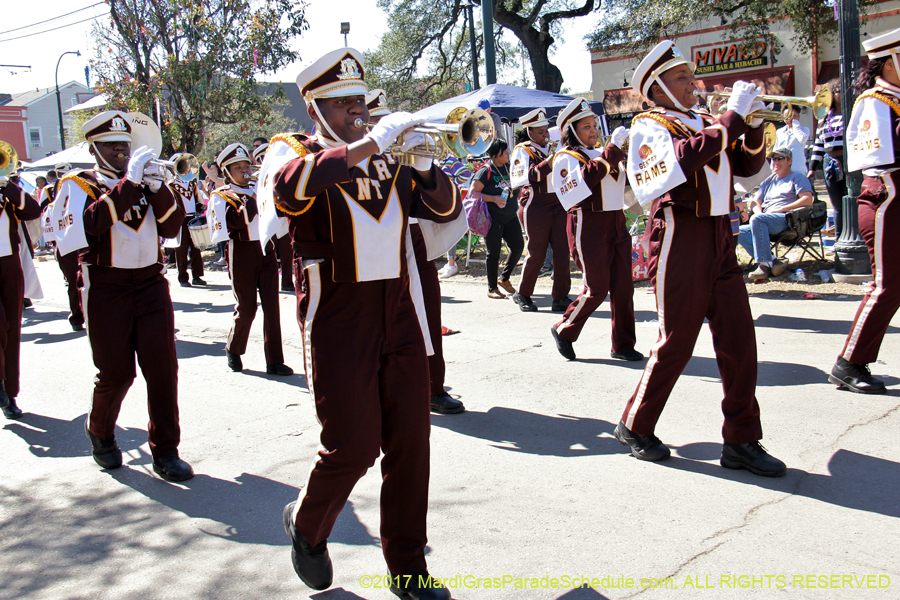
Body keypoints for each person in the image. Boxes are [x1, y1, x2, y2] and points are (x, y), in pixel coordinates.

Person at [265, 47, 459, 598]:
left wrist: (423, 164)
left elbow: (443, 211)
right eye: (345, 103)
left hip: (399, 310)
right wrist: (371, 142)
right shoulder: (295, 151)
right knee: (352, 445)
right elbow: (290, 189)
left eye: (360, 101)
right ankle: (307, 523)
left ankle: (408, 565)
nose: (359, 110)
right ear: (317, 109)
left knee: (411, 442)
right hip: (338, 316)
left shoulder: (388, 156)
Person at [616, 41, 786, 477]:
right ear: (657, 88)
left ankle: (743, 440)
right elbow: (680, 162)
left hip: (720, 234)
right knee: (677, 340)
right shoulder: (648, 125)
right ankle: (636, 424)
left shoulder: (708, 122)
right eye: (680, 78)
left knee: (739, 341)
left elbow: (747, 171)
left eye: (691, 75)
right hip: (680, 233)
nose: (692, 83)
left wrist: (749, 126)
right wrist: (731, 119)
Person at [54, 111, 193, 481]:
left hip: (150, 284)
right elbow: (91, 226)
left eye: (124, 144)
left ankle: (165, 451)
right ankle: (99, 432)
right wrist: (129, 183)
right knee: (116, 373)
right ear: (94, 148)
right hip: (106, 287)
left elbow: (174, 226)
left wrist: (156, 187)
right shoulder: (78, 184)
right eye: (111, 145)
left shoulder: (145, 180)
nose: (120, 150)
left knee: (163, 371)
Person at [366, 87, 465, 416]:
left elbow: (447, 208)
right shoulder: (350, 162)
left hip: (412, 243)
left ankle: (434, 388)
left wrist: (424, 167)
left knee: (429, 316)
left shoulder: (404, 161)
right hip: (371, 249)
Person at [830, 27, 900, 394]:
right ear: (889, 64)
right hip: (886, 201)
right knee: (887, 286)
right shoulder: (876, 100)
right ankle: (850, 362)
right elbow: (882, 156)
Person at [548, 98, 642, 363]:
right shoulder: (566, 157)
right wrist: (610, 153)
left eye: (594, 125)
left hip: (616, 222)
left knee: (624, 287)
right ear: (572, 131)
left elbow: (625, 190)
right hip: (587, 224)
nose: (593, 130)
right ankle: (564, 329)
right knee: (597, 288)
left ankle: (623, 344)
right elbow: (580, 186)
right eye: (586, 126)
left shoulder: (604, 153)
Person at [209, 143, 292, 376]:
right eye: (238, 167)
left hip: (266, 250)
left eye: (247, 165)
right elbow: (232, 224)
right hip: (242, 253)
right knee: (246, 308)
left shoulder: (260, 188)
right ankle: (233, 348)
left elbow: (280, 212)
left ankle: (274, 361)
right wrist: (256, 198)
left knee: (272, 309)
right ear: (226, 172)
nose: (245, 171)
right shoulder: (222, 196)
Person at [509, 107, 572, 312]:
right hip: (536, 206)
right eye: (540, 132)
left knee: (562, 251)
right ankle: (523, 294)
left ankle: (561, 296)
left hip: (558, 203)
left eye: (546, 130)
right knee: (537, 251)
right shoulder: (523, 150)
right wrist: (550, 162)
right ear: (529, 131)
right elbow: (523, 178)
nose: (545, 135)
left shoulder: (552, 147)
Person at [0, 170, 41, 418]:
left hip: (9, 262)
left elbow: (33, 211)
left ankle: (9, 392)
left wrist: (8, 186)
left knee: (12, 327)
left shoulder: (6, 192)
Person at [738, 147, 814, 280]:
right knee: (738, 231)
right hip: (764, 219)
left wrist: (781, 209)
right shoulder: (769, 180)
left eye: (780, 158)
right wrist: (758, 213)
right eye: (774, 159)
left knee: (758, 220)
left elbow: (807, 199)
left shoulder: (797, 177)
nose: (776, 162)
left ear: (789, 161)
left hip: (787, 219)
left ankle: (763, 265)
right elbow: (756, 201)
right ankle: (774, 261)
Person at [470, 139, 525, 299]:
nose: (508, 154)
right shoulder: (485, 171)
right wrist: (493, 198)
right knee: (493, 253)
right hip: (492, 218)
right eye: (504, 152)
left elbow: (516, 185)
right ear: (495, 155)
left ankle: (504, 278)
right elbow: (473, 193)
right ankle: (492, 288)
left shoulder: (509, 167)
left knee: (518, 246)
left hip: (511, 216)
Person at [40, 164, 84, 331]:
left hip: (83, 242)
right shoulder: (51, 199)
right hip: (66, 244)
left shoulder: (83, 196)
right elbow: (43, 216)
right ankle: (77, 317)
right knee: (73, 281)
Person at [808, 80, 845, 238]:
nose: (840, 94)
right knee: (837, 205)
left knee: (851, 200)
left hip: (848, 162)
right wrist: (812, 167)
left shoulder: (850, 113)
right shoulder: (824, 119)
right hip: (830, 163)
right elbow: (818, 145)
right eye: (837, 91)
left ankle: (857, 237)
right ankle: (839, 237)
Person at [168, 153, 207, 287]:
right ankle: (183, 278)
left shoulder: (192, 184)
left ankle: (197, 276)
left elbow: (195, 200)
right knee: (181, 249)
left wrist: (200, 206)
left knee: (196, 248)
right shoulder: (170, 185)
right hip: (180, 220)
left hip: (192, 218)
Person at [774, 109, 811, 176]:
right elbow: (775, 150)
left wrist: (795, 123)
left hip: (798, 169)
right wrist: (773, 168)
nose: (789, 119)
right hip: (782, 169)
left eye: (792, 116)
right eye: (786, 116)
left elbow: (802, 139)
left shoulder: (804, 129)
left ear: (798, 116)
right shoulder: (779, 131)